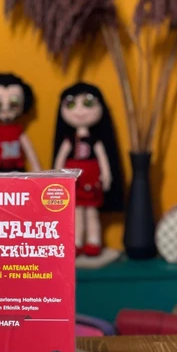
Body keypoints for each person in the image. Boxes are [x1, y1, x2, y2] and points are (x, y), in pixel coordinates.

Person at [53, 83, 124, 257]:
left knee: (92, 213)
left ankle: (94, 241)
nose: (79, 111)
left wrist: (106, 176)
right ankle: (76, 241)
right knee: (76, 213)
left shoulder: (95, 140)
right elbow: (60, 159)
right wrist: (56, 176)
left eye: (88, 104)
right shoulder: (69, 140)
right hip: (73, 180)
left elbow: (103, 159)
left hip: (91, 179)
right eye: (71, 104)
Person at [0, 72, 41, 173]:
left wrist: (37, 169)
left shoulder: (19, 132)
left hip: (17, 170)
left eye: (14, 102)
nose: (5, 109)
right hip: (0, 169)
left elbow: (30, 152)